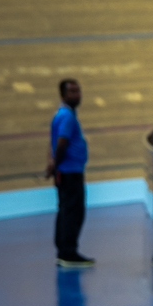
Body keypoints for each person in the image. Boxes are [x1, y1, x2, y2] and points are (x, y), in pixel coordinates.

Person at [45, 78, 93, 268]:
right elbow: (61, 141)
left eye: (78, 91)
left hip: (67, 170)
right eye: (72, 92)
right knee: (73, 212)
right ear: (63, 95)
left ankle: (64, 251)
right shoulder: (67, 116)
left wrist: (52, 164)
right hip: (70, 171)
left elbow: (52, 141)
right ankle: (68, 252)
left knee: (66, 210)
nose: (77, 95)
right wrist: (55, 164)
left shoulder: (61, 114)